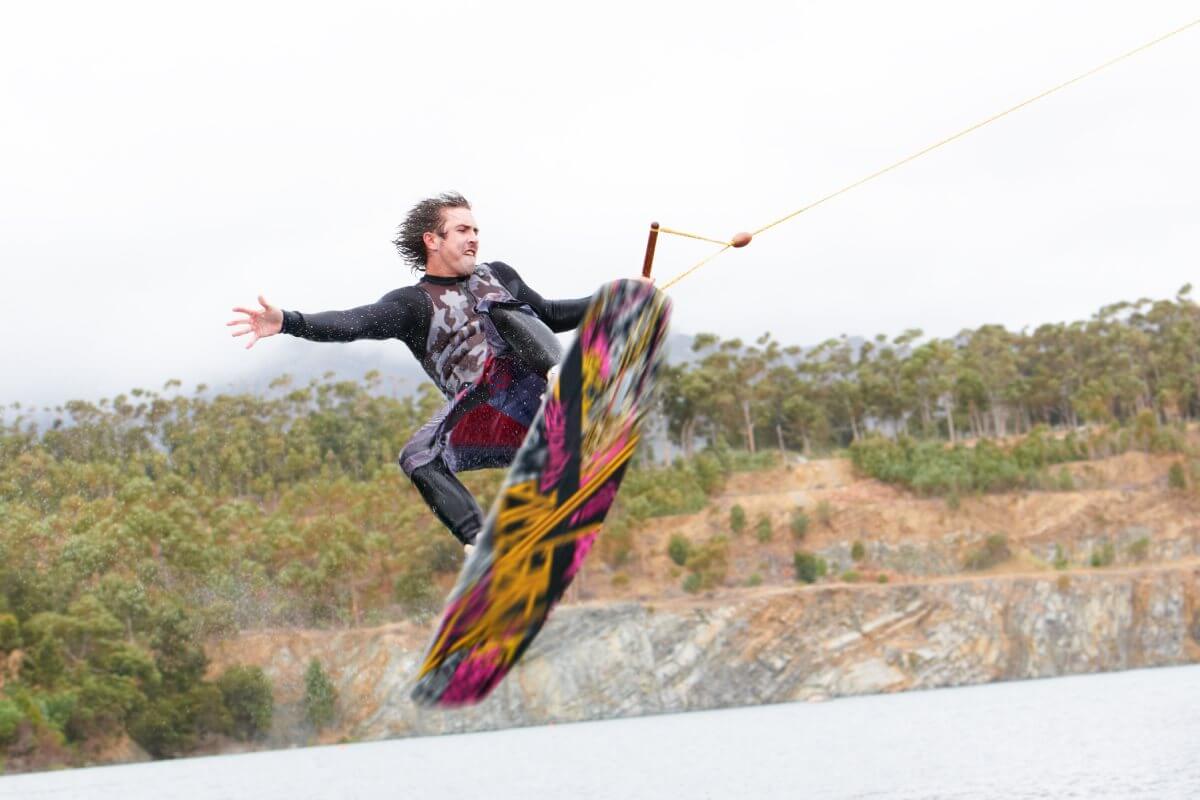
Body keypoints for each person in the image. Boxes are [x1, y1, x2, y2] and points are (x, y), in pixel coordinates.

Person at [227, 192, 590, 552]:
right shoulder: (412, 304)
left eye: (476, 230)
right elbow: (352, 322)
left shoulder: (497, 276)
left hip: (538, 380)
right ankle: (482, 546)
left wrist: (619, 297)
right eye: (462, 229)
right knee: (418, 456)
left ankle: (565, 390)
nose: (474, 237)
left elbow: (551, 315)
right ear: (432, 240)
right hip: (495, 414)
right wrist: (288, 321)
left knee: (498, 309)